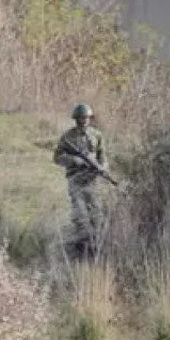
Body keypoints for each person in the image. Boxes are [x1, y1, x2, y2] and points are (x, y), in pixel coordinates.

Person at [52, 103, 108, 259]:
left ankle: (95, 247)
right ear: (76, 119)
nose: (83, 121)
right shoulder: (68, 137)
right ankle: (79, 249)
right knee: (80, 214)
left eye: (86, 118)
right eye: (81, 118)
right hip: (75, 180)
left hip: (92, 181)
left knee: (96, 214)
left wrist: (102, 167)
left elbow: (103, 157)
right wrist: (73, 160)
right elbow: (57, 157)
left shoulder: (97, 136)